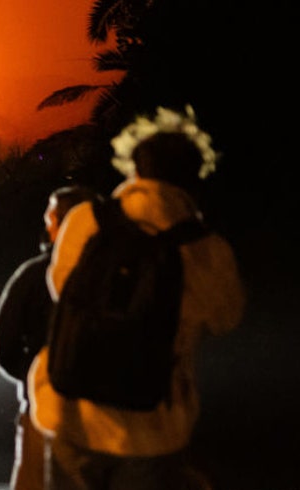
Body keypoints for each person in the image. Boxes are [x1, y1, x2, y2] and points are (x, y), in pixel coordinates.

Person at [29, 106, 245, 490]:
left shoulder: (86, 220)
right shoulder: (207, 250)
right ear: (196, 178)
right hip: (152, 427)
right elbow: (225, 318)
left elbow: (62, 288)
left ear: (134, 168)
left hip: (72, 413)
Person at [0, 186, 99, 490]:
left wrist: (30, 376)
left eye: (50, 219)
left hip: (44, 413)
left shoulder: (35, 275)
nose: (47, 227)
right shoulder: (117, 272)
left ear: (61, 223)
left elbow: (2, 340)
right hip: (107, 416)